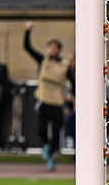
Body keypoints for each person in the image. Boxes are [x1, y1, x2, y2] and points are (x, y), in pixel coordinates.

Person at [24, 22, 74, 171]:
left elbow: (73, 82)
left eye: (54, 47)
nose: (52, 50)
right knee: (41, 129)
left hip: (57, 103)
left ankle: (52, 157)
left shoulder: (65, 65)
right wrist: (27, 32)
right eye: (50, 47)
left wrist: (70, 100)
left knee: (57, 131)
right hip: (44, 101)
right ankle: (46, 147)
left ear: (59, 50)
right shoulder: (43, 61)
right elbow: (28, 48)